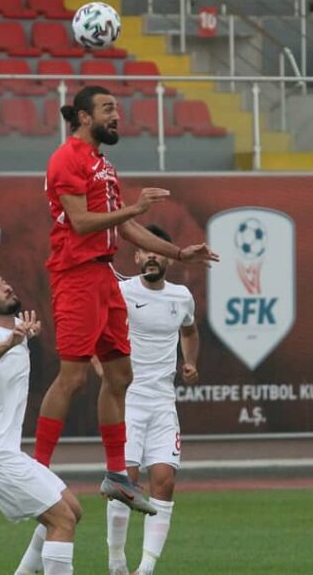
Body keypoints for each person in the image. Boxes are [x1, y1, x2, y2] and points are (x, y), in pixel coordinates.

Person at [34, 85, 218, 516]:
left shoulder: (103, 165)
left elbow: (124, 230)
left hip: (103, 274)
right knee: (73, 377)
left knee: (120, 374)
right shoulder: (66, 159)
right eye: (107, 108)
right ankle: (37, 467)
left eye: (116, 108)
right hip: (76, 274)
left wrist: (179, 253)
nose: (116, 115)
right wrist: (134, 209)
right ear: (83, 116)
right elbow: (81, 222)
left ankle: (117, 476)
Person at [0, 262, 83, 575]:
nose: (6, 286)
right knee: (62, 521)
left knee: (72, 510)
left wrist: (25, 334)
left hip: (5, 454)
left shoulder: (17, 328)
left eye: (3, 281)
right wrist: (9, 342)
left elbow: (17, 334)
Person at [104, 224, 200, 575]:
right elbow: (99, 333)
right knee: (125, 483)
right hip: (128, 400)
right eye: (146, 250)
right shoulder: (121, 291)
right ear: (137, 256)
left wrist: (190, 362)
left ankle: (145, 569)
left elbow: (189, 331)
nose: (152, 257)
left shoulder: (181, 296)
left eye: (159, 251)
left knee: (164, 480)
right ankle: (117, 561)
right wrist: (105, 372)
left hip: (162, 403)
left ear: (168, 259)